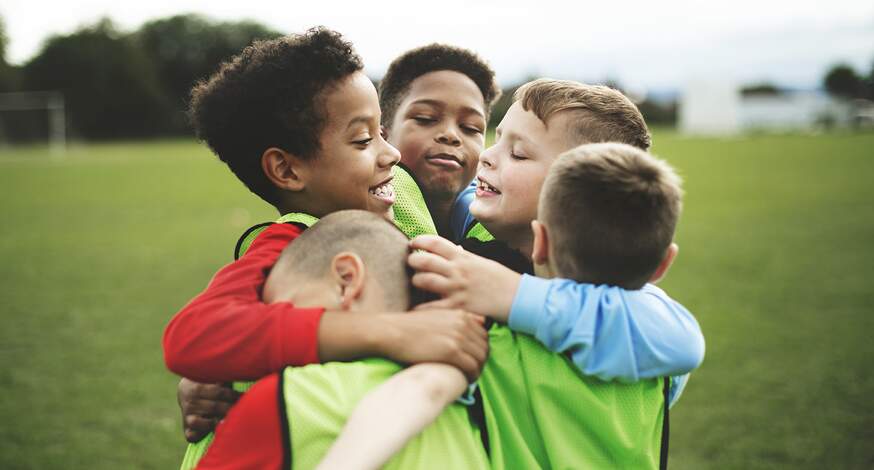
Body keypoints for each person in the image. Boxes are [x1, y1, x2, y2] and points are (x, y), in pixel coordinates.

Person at [163, 28, 488, 468]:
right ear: (286, 169)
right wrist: (395, 333)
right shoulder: (290, 242)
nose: (389, 153)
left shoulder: (397, 193)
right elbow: (193, 335)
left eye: (381, 132)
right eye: (362, 140)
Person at [368, 80, 703, 468]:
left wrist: (512, 294)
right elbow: (461, 200)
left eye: (519, 154)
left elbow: (683, 341)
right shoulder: (481, 216)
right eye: (496, 138)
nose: (487, 157)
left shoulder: (631, 317)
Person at [196, 211, 490, 470]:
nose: (278, 337)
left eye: (284, 308)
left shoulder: (294, 397)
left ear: (346, 281)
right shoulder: (465, 406)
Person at [379, 44, 501, 239]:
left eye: (471, 127)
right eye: (425, 118)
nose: (450, 134)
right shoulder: (343, 226)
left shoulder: (508, 232)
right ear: (382, 136)